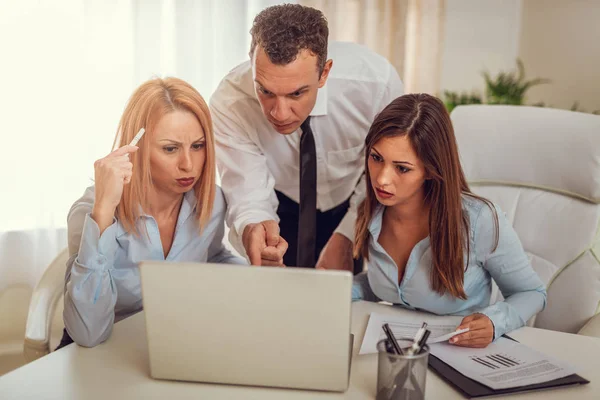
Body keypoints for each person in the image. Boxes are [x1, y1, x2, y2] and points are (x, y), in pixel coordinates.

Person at [210, 4, 403, 272]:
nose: (279, 113)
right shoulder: (231, 101)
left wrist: (347, 236)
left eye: (296, 94)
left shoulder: (375, 84)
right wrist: (253, 226)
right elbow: (247, 189)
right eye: (265, 91)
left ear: (324, 73)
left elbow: (387, 172)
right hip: (281, 202)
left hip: (355, 199)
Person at [61, 77, 245, 348]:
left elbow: (213, 257)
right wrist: (102, 213)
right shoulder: (90, 212)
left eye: (198, 146)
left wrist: (260, 275)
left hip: (170, 344)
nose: (188, 165)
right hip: (103, 352)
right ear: (137, 149)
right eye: (170, 149)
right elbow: (89, 333)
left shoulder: (211, 200)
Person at [352, 94, 547, 348]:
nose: (381, 180)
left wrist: (494, 322)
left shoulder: (480, 220)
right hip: (394, 350)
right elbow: (384, 284)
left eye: (402, 168)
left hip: (459, 354)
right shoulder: (371, 211)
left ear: (431, 170)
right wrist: (338, 291)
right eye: (376, 158)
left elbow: (532, 294)